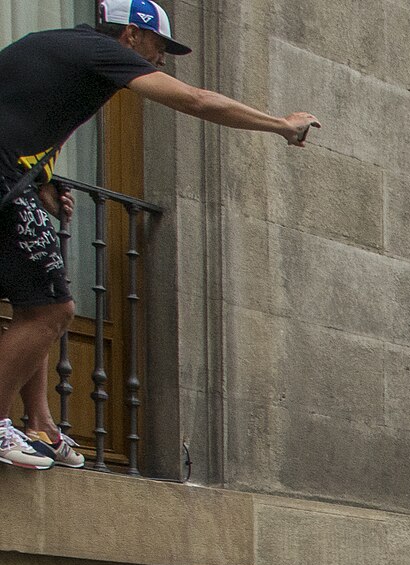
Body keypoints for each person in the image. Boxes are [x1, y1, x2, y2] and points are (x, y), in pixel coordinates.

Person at [0, 2, 314, 471]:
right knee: (51, 309)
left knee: (40, 300)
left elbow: (21, 110)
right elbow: (196, 99)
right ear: (131, 35)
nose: (162, 60)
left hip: (10, 176)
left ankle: (41, 424)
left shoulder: (62, 49)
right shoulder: (102, 54)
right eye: (160, 46)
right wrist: (281, 126)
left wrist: (44, 181)